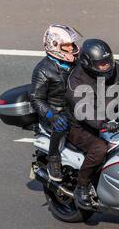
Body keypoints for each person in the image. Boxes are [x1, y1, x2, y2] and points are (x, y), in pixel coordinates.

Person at [66, 39, 119, 209]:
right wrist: (103, 124)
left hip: (110, 118)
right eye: (101, 64)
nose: (106, 67)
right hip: (79, 125)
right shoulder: (77, 81)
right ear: (88, 63)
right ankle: (82, 186)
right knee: (99, 149)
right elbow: (84, 111)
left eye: (108, 62)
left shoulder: (114, 70)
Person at [30, 24, 82, 182]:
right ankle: (54, 158)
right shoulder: (43, 70)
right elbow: (36, 98)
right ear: (54, 46)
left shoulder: (75, 62)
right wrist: (51, 116)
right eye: (66, 46)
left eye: (71, 44)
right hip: (56, 111)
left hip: (76, 105)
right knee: (62, 123)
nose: (71, 48)